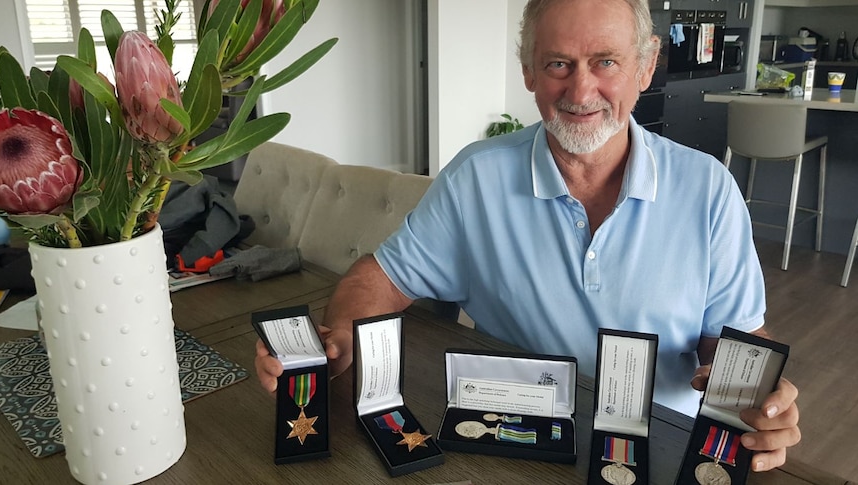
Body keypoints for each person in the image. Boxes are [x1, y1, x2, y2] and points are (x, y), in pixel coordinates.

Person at [255, 0, 800, 472]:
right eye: (559, 63)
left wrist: (763, 404)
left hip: (661, 450)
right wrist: (339, 341)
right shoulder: (477, 177)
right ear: (529, 72)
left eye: (605, 61)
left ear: (646, 64)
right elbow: (382, 277)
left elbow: (731, 341)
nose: (581, 89)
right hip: (507, 440)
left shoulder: (709, 189)